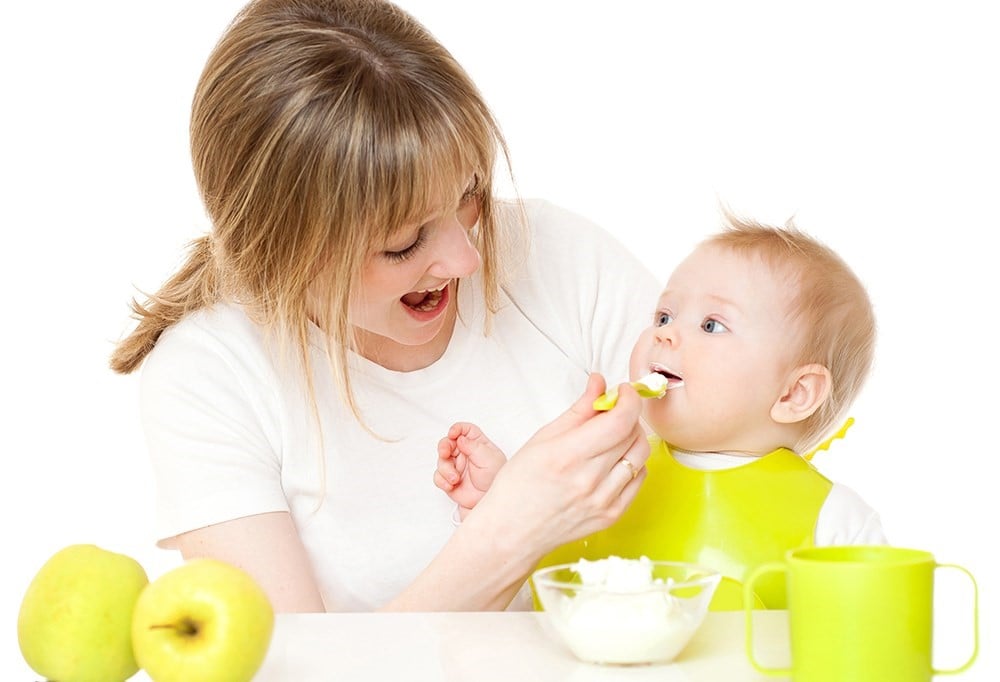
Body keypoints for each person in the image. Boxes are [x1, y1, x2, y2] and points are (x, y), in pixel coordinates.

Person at [109, 0, 662, 612]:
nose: (465, 260)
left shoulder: (559, 256)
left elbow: (754, 429)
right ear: (281, 249)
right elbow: (293, 669)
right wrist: (511, 530)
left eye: (469, 193)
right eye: (403, 243)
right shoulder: (211, 376)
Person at [435, 213, 887, 608]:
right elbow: (546, 583)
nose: (664, 335)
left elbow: (865, 645)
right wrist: (498, 498)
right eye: (664, 316)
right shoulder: (612, 472)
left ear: (794, 394)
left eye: (712, 325)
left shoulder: (833, 520)